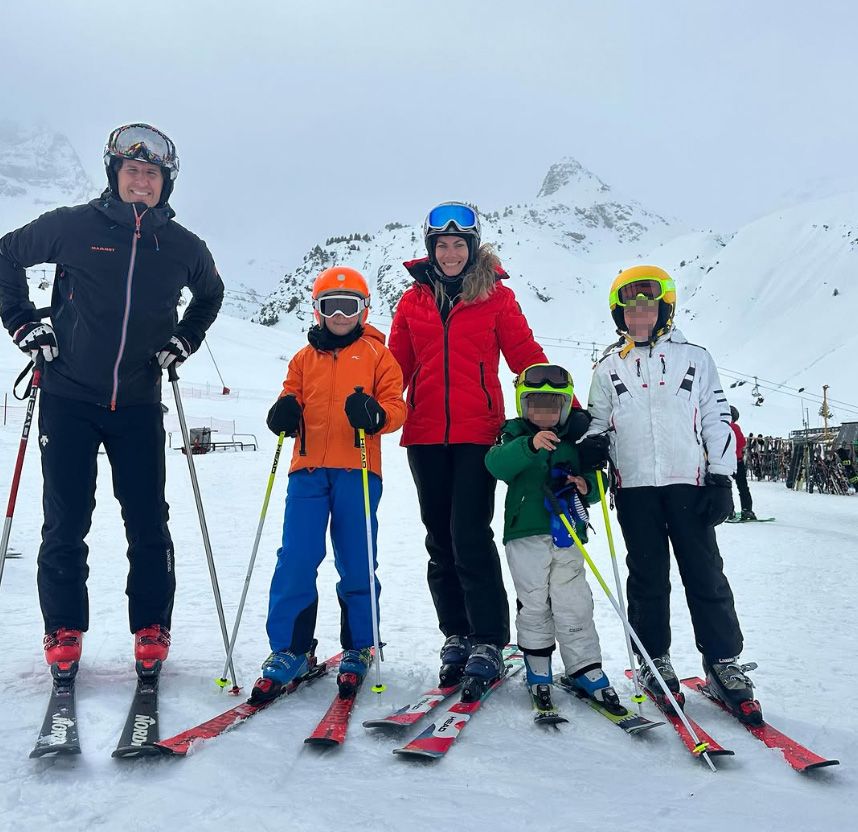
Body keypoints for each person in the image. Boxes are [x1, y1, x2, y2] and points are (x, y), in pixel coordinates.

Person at [0, 123, 224, 669]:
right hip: (68, 396)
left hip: (141, 400)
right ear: (115, 175)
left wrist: (184, 338)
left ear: (165, 183)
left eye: (151, 173)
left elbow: (210, 294)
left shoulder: (181, 245)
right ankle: (63, 631)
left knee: (148, 520)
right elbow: (5, 255)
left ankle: (151, 627)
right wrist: (25, 323)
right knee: (66, 520)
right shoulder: (74, 226)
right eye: (132, 171)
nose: (141, 181)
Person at [583, 265, 761, 724]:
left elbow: (716, 418)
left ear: (665, 308)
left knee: (705, 574)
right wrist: (594, 446)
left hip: (690, 484)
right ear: (618, 313)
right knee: (647, 577)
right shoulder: (607, 367)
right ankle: (653, 659)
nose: (639, 312)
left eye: (648, 304)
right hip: (636, 488)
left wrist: (721, 477)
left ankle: (723, 661)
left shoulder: (695, 358)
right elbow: (597, 423)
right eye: (630, 306)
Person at [388, 201, 548, 696]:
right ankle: (455, 635)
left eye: (459, 244)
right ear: (430, 250)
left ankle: (488, 639)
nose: (451, 252)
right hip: (425, 436)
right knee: (439, 539)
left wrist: (564, 406)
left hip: (478, 435)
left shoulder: (497, 299)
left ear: (472, 248)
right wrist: (365, 401)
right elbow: (394, 370)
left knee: (469, 535)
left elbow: (527, 358)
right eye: (442, 245)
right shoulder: (412, 302)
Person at [257, 266, 405, 701]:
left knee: (357, 559)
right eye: (331, 306)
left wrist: (377, 414)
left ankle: (360, 644)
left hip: (357, 470)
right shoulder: (304, 358)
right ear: (318, 310)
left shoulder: (379, 355)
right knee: (296, 558)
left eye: (349, 306)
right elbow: (290, 395)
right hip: (306, 471)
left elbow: (397, 407)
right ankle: (290, 649)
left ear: (364, 310)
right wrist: (282, 411)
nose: (340, 315)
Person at [485, 363, 625, 714]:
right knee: (534, 600)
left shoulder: (575, 438)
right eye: (535, 405)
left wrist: (587, 485)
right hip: (526, 533)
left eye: (553, 406)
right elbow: (496, 465)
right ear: (523, 404)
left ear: (564, 407)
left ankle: (585, 666)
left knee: (572, 600)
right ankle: (537, 664)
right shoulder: (513, 433)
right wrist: (528, 446)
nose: (544, 414)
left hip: (568, 533)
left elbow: (598, 482)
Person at [728, 405, 756, 521]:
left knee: (726, 487)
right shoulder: (734, 427)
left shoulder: (719, 426)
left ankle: (729, 511)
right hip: (737, 461)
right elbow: (742, 442)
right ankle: (747, 510)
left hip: (725, 462)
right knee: (743, 487)